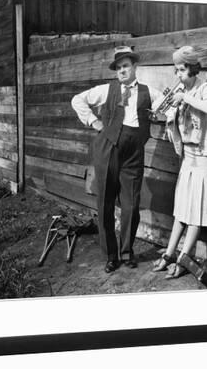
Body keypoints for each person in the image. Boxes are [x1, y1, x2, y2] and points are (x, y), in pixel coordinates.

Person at [71, 46, 162, 273]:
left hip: (133, 153)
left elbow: (166, 109)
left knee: (131, 204)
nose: (122, 70)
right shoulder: (106, 90)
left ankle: (126, 252)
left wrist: (164, 114)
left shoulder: (148, 91)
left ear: (134, 67)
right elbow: (77, 100)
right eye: (119, 67)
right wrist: (94, 122)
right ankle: (111, 255)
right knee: (106, 203)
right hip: (108, 148)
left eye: (126, 66)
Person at [152, 46, 207, 279]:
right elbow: (170, 117)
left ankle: (183, 258)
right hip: (188, 155)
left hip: (203, 155)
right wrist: (170, 107)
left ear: (192, 69)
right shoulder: (181, 87)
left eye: (181, 70)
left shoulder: (202, 86)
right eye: (176, 70)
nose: (178, 74)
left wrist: (185, 98)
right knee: (182, 208)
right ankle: (169, 253)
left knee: (196, 212)